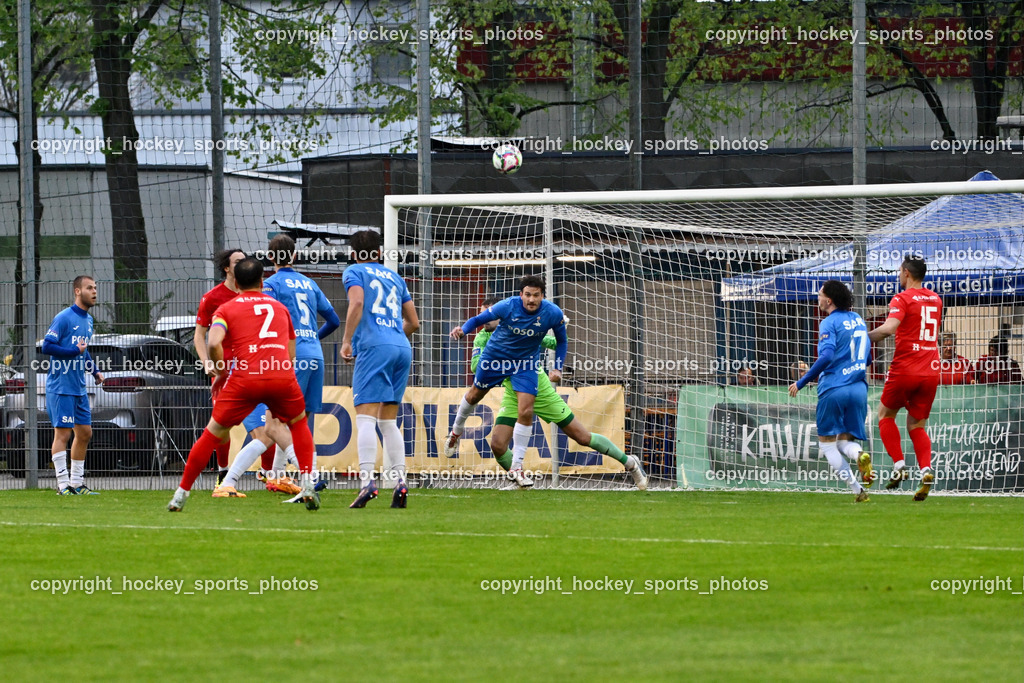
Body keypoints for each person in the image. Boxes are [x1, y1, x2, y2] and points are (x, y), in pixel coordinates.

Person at [167, 258, 320, 512]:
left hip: (245, 379)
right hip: (281, 375)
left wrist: (220, 374)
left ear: (236, 283)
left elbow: (214, 343)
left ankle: (181, 495)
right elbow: (291, 352)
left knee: (212, 432)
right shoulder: (280, 308)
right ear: (263, 281)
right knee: (299, 423)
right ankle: (308, 484)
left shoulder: (227, 309)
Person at [471, 298, 647, 490]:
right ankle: (520, 481)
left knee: (582, 437)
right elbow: (474, 367)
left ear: (502, 316)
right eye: (482, 315)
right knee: (497, 444)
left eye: (489, 315)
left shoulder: (522, 331)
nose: (484, 319)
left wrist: (558, 327)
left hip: (540, 390)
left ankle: (630, 462)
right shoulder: (482, 338)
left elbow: (555, 342)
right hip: (514, 393)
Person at [215, 234, 341, 499]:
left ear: (270, 258)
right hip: (315, 356)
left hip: (288, 356)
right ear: (294, 256)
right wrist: (312, 339)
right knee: (299, 425)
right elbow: (334, 320)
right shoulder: (309, 283)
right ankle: (276, 477)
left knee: (272, 427)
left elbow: (267, 322)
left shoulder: (270, 285)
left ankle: (310, 476)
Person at [447, 275, 568, 487]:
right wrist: (463, 329)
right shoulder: (507, 306)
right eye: (527, 295)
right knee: (475, 395)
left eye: (536, 295)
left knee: (526, 410)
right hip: (496, 358)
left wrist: (557, 366)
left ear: (542, 296)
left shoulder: (553, 313)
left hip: (525, 364)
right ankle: (456, 431)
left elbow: (561, 340)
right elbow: (478, 320)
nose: (531, 299)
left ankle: (517, 467)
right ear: (521, 295)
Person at [341, 230, 420, 509]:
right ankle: (400, 481)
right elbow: (414, 322)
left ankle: (367, 483)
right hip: (401, 346)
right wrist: (393, 336)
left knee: (365, 418)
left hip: (375, 348)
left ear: (353, 253)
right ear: (378, 253)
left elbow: (358, 302)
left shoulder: (354, 271)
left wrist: (348, 340)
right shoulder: (395, 277)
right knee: (388, 421)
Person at [789, 281, 872, 501]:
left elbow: (826, 356)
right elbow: (868, 358)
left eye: (820, 294)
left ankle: (857, 490)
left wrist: (802, 381)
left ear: (829, 300)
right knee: (844, 441)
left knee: (827, 445)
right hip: (858, 389)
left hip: (835, 388)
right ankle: (860, 454)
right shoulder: (859, 320)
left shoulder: (828, 323)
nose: (818, 298)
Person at [868, 255, 943, 501]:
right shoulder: (936, 299)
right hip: (931, 369)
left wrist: (862, 336)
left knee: (885, 414)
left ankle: (899, 466)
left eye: (900, 272)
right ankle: (926, 470)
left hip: (906, 367)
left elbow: (889, 328)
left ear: (906, 273)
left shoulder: (901, 298)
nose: (899, 276)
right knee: (917, 425)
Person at [42, 275, 105, 495]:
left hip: (79, 387)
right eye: (89, 288)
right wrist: (73, 352)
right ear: (77, 291)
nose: (94, 291)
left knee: (85, 433)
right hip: (61, 386)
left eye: (95, 288)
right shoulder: (64, 317)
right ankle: (63, 485)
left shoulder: (88, 320)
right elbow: (47, 346)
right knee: (63, 434)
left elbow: (83, 350)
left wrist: (94, 370)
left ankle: (77, 483)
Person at [194, 248, 247, 484]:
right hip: (224, 370)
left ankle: (270, 475)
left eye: (245, 261)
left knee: (265, 425)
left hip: (251, 366)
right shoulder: (212, 298)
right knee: (222, 425)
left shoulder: (255, 292)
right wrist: (207, 363)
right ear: (226, 268)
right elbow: (200, 335)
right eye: (238, 262)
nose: (243, 264)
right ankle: (223, 470)